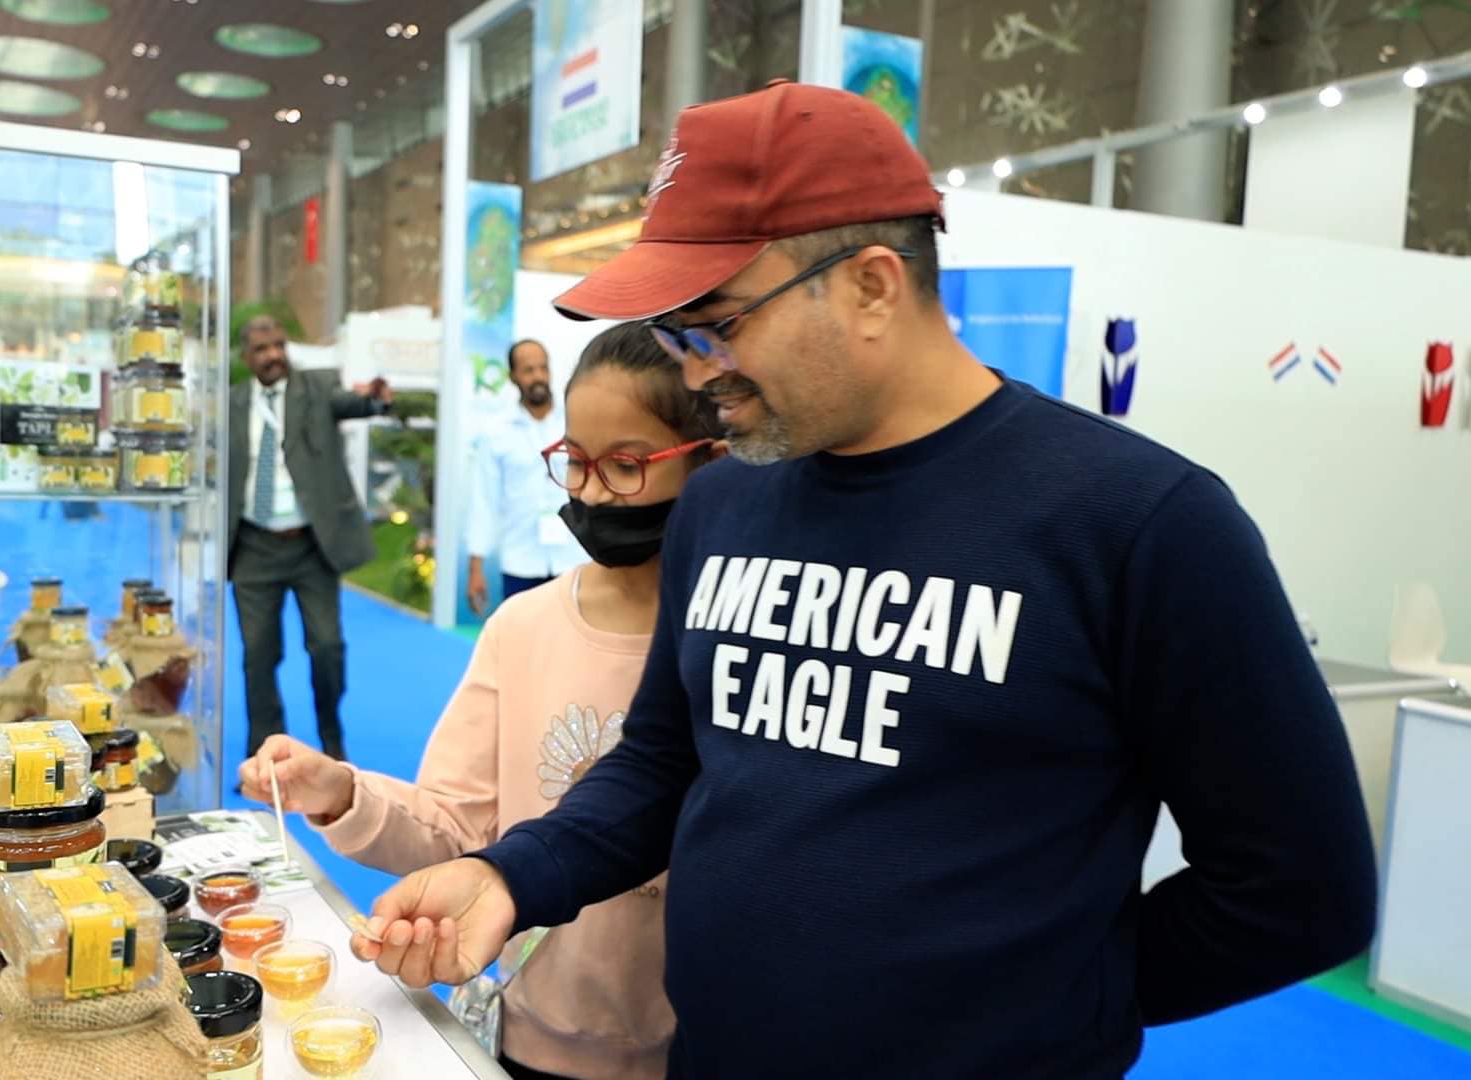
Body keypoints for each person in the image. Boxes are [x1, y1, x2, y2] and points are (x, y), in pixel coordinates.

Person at [348, 84, 1378, 1078]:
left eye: (721, 324)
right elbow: (663, 763)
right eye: (675, 333)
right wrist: (511, 876)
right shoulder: (723, 503)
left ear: (873, 286)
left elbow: (1300, 888)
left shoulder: (1139, 524)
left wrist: (1062, 998)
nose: (696, 370)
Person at [242, 322, 718, 1080]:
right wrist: (343, 793)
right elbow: (456, 828)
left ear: (710, 461)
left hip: (697, 1052)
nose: (593, 492)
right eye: (575, 461)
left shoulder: (734, 646)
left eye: (626, 466)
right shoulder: (523, 627)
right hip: (531, 1036)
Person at [228, 315, 393, 761]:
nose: (273, 355)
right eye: (262, 349)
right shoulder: (233, 402)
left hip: (311, 546)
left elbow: (354, 403)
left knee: (327, 646)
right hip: (253, 546)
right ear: (246, 357)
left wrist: (376, 400)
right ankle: (266, 750)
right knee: (258, 654)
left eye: (279, 345)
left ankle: (331, 737)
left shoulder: (317, 389)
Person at [464, 339, 585, 615]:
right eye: (529, 370)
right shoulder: (497, 432)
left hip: (574, 559)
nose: (538, 376)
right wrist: (475, 568)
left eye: (543, 368)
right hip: (521, 561)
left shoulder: (575, 421)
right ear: (513, 377)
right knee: (521, 639)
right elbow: (484, 501)